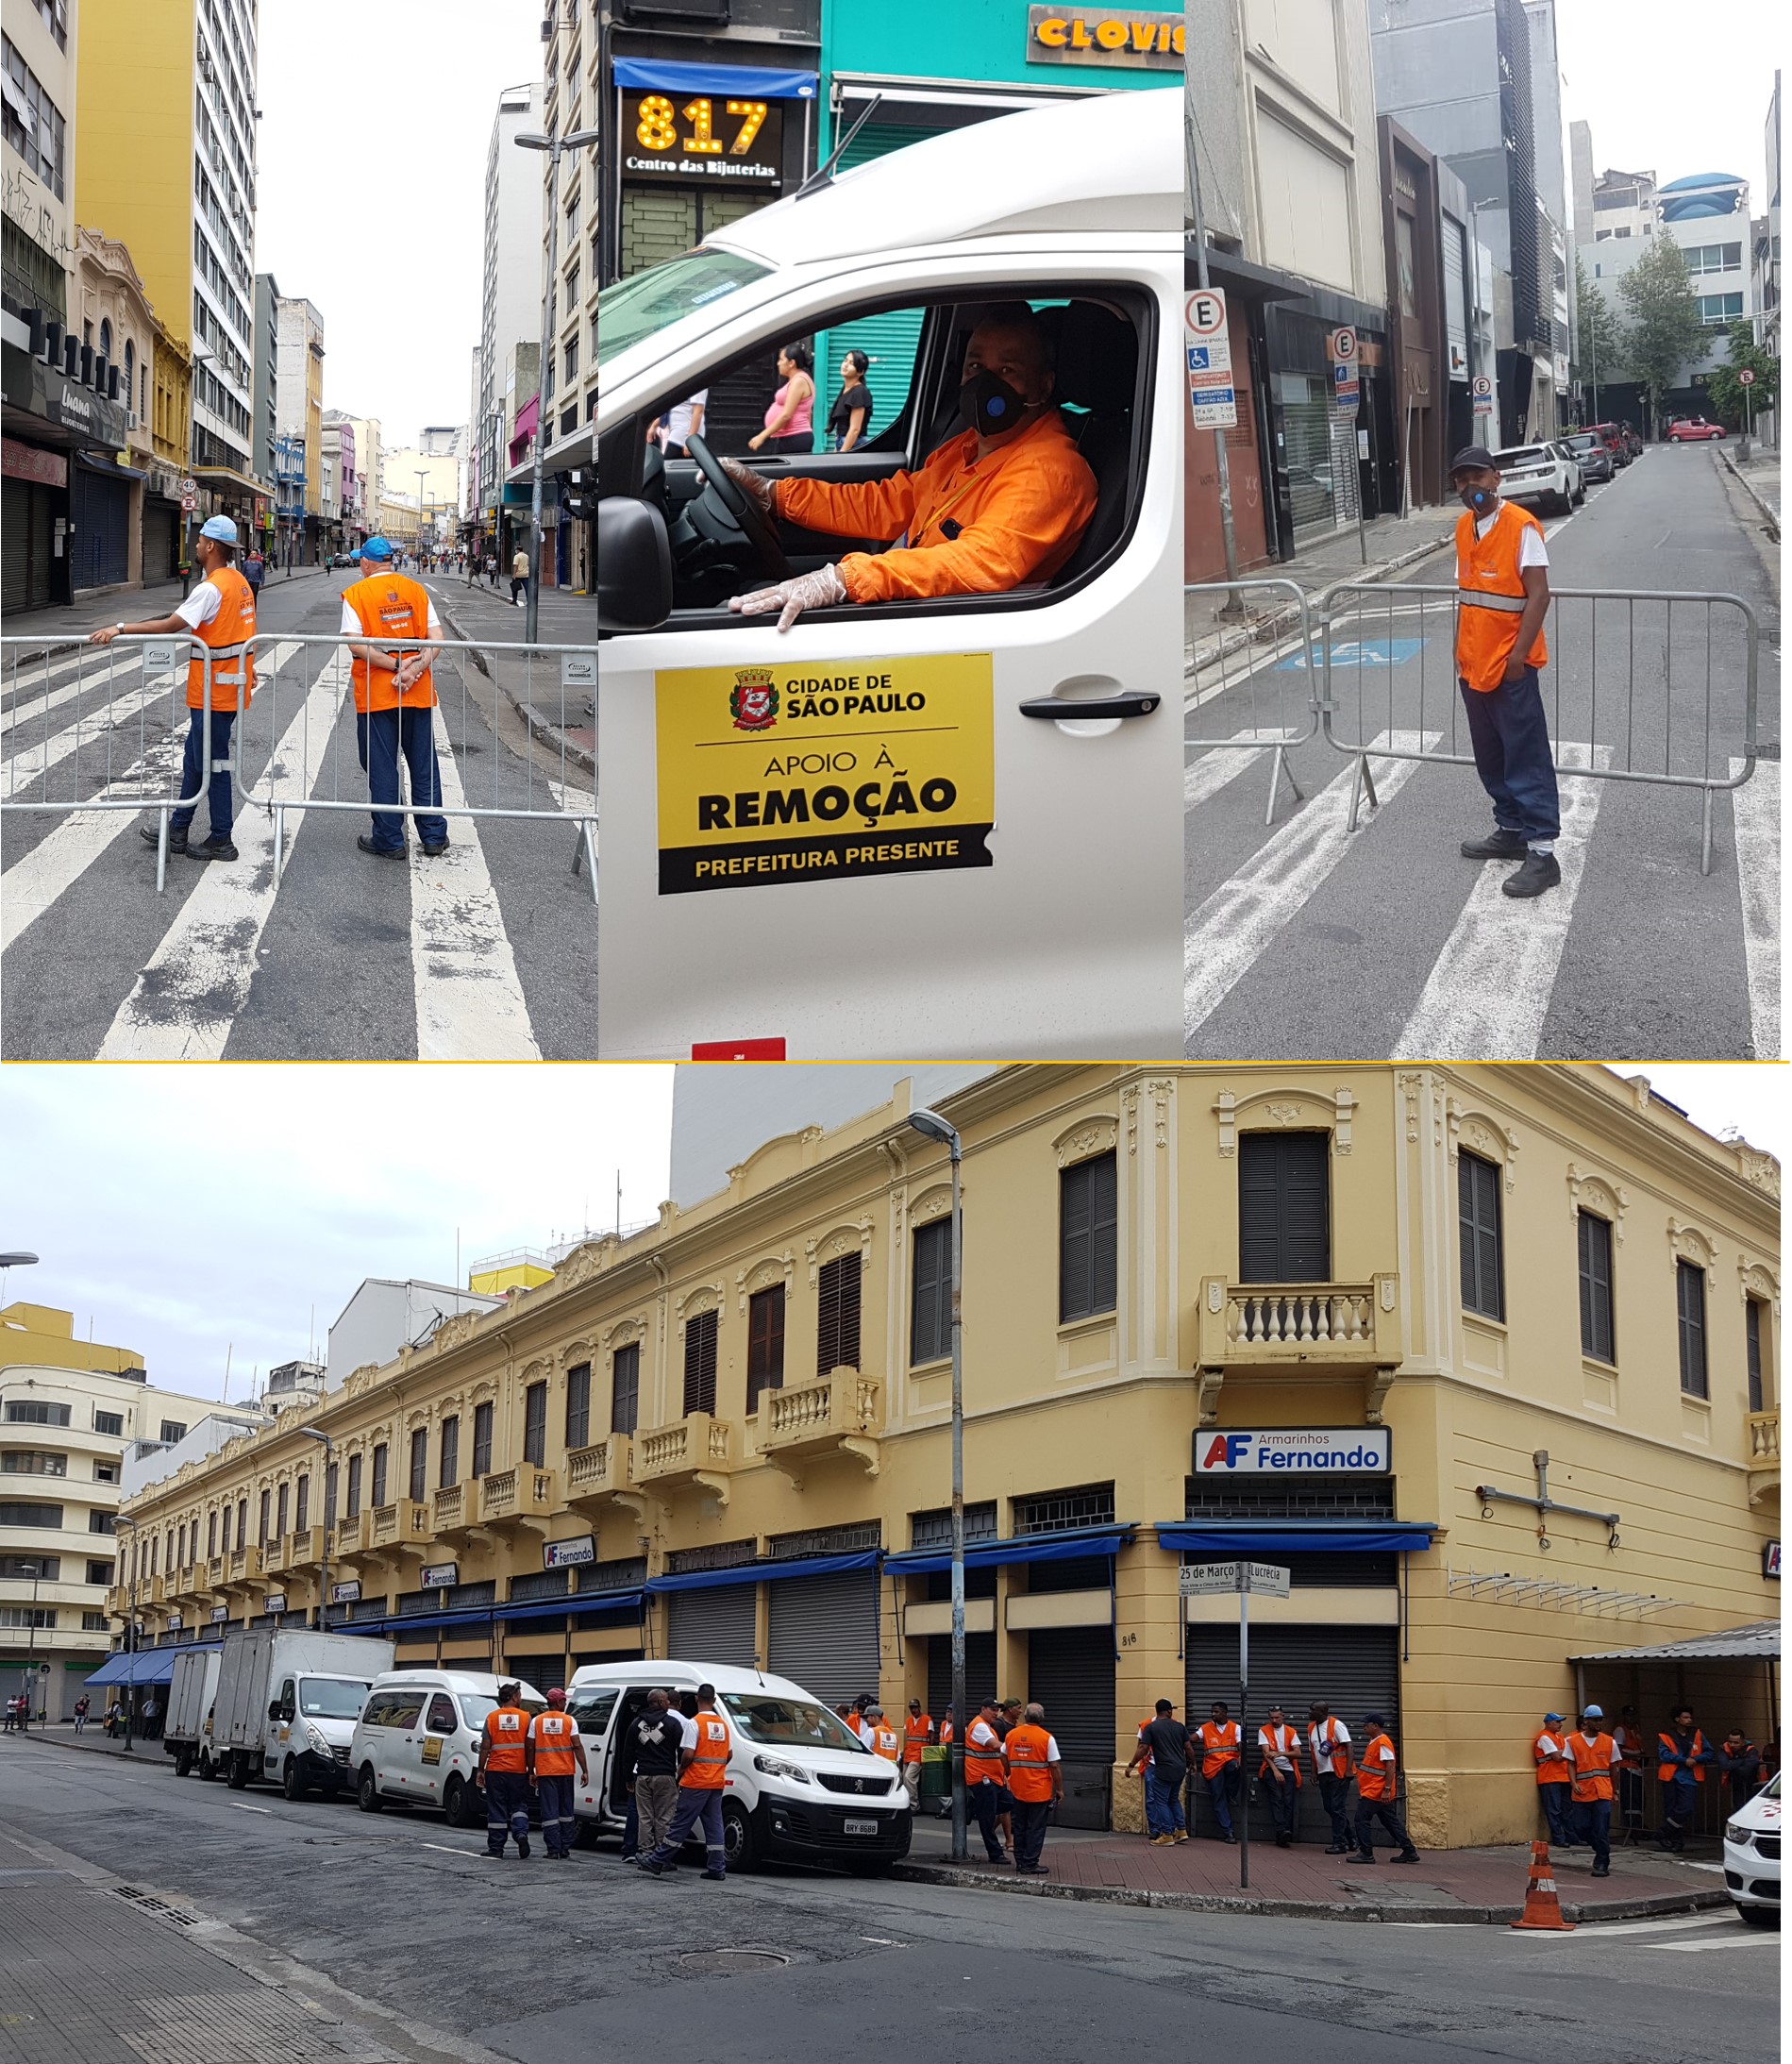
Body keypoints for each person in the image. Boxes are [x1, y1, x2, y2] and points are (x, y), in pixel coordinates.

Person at [719, 305, 1098, 630]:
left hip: (970, 629)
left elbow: (978, 562)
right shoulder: (967, 446)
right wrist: (777, 495)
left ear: (1044, 386)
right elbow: (888, 503)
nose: (985, 382)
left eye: (1007, 370)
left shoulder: (1050, 471)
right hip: (926, 612)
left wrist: (845, 579)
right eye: (976, 365)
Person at [92, 513, 256, 864]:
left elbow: (170, 625)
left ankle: (222, 838)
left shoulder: (211, 588)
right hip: (226, 688)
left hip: (214, 690)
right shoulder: (238, 581)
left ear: (211, 546)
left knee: (214, 763)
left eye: (198, 541)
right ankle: (179, 828)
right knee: (197, 759)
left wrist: (119, 627)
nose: (195, 545)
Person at [1448, 443, 1561, 898]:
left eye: (1477, 477)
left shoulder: (1520, 526)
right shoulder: (1463, 527)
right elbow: (1468, 594)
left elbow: (1539, 594)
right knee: (1491, 756)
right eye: (1460, 479)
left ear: (1495, 478)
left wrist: (1518, 658)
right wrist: (1459, 653)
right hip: (1473, 665)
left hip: (1509, 666)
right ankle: (1511, 830)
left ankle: (1542, 853)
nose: (1469, 486)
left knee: (1525, 756)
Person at [340, 536, 450, 861]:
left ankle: (389, 839)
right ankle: (432, 835)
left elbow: (357, 645)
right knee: (424, 763)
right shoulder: (416, 590)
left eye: (360, 560)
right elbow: (437, 639)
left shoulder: (357, 594)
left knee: (382, 767)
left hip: (378, 695)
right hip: (416, 691)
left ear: (366, 562)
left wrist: (397, 666)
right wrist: (415, 668)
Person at [643, 1682, 729, 1880]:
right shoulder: (723, 1726)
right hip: (716, 1783)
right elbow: (729, 1754)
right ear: (714, 1700)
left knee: (680, 1823)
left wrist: (680, 1770)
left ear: (697, 1699)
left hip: (696, 1782)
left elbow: (688, 1754)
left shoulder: (694, 1723)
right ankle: (717, 1868)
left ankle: (656, 1861)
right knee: (715, 1825)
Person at [623, 1689, 683, 1869]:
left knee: (645, 1817)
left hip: (643, 1776)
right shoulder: (673, 1724)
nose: (668, 1704)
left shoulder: (636, 1724)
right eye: (666, 1701)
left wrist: (628, 1778)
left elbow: (628, 1753)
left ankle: (646, 1854)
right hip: (665, 1776)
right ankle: (661, 1857)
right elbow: (682, 1751)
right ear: (660, 1702)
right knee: (664, 1818)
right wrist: (681, 1775)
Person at [527, 1688, 588, 1860]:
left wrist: (531, 1771)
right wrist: (585, 1770)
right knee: (566, 1811)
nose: (566, 1704)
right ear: (559, 1702)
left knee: (550, 1811)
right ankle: (565, 1847)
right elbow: (577, 1746)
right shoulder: (570, 1721)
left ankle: (553, 1849)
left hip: (546, 1772)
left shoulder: (537, 1721)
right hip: (566, 1771)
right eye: (564, 1701)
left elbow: (530, 1747)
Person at [1003, 1702, 1063, 1876]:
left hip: (1017, 1789)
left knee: (1019, 1827)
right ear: (1042, 1718)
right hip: (1039, 1791)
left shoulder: (1012, 1735)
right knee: (1035, 1829)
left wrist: (1009, 1773)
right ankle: (1030, 1863)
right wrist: (1059, 1789)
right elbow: (1054, 1766)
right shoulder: (1046, 1738)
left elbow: (1002, 1754)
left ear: (1025, 1717)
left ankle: (1020, 1861)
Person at [1351, 1713, 1420, 1864]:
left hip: (1376, 1791)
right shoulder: (1375, 1741)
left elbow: (1390, 1765)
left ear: (1375, 1726)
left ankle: (1366, 1853)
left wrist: (1387, 1788)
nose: (1363, 1726)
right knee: (1390, 1821)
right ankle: (1409, 1851)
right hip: (1376, 1790)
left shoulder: (1382, 1742)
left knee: (1361, 1819)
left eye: (1366, 1724)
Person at [477, 1682, 533, 1858]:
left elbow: (485, 1747)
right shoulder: (526, 1717)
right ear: (514, 1697)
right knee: (519, 1806)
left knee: (496, 1808)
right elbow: (530, 1747)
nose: (521, 1698)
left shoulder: (491, 1718)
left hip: (495, 1770)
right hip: (517, 1771)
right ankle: (521, 1833)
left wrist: (481, 1770)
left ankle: (496, 1848)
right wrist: (530, 1770)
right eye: (520, 1695)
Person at [1564, 1705, 1619, 1879]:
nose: (1599, 1722)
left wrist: (1615, 1791)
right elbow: (1571, 1764)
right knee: (1580, 1827)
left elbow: (1614, 1767)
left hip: (1602, 1791)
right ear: (1585, 1721)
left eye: (1600, 1719)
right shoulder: (1572, 1741)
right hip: (1582, 1791)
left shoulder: (1610, 1742)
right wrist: (1573, 1783)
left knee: (1601, 1828)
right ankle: (1600, 1848)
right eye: (1595, 1719)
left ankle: (1602, 1863)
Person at [1126, 1699, 1189, 1846]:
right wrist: (1192, 1764)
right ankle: (1181, 1830)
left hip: (1162, 1769)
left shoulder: (1151, 1727)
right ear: (1168, 1711)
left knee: (1159, 1801)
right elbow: (1188, 1748)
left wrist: (1131, 1765)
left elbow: (1142, 1748)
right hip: (1179, 1768)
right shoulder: (1179, 1726)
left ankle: (1167, 1834)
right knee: (1173, 1800)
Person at [1656, 1706, 1711, 1852]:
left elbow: (1709, 1752)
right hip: (1671, 1776)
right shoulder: (1666, 1735)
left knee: (1686, 1808)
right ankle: (1676, 1841)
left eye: (1690, 1718)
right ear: (1677, 1719)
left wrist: (1695, 1759)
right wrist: (1683, 1760)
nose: (1689, 1720)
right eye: (1685, 1717)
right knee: (1671, 1809)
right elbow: (1663, 1754)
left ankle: (1664, 1832)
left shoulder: (1697, 1734)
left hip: (1689, 1777)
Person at [963, 1697, 1010, 1864]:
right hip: (982, 1779)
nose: (996, 1713)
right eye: (992, 1709)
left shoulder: (988, 1726)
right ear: (983, 1709)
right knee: (987, 1818)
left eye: (997, 1710)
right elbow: (995, 1745)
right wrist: (1014, 1746)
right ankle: (995, 1853)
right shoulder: (980, 1726)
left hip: (993, 1779)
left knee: (1009, 1803)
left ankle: (973, 1807)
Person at [748, 342, 814, 456]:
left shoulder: (799, 381)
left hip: (794, 438)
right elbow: (808, 413)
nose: (778, 364)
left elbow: (786, 415)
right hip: (790, 436)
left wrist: (762, 436)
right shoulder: (797, 379)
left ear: (791, 363)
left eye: (781, 360)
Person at [1308, 1703, 1355, 1854]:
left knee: (1336, 1807)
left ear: (1322, 1712)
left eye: (1312, 1710)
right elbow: (1313, 1751)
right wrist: (1314, 1772)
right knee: (1330, 1808)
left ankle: (1339, 1843)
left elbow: (1349, 1746)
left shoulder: (1336, 1725)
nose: (1309, 1712)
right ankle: (1351, 1838)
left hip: (1339, 1773)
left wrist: (1348, 1769)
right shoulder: (1311, 1728)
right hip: (1323, 1773)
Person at [1258, 1703, 1304, 1848]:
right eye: (1271, 1717)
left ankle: (1285, 1832)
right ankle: (1282, 1831)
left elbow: (1298, 1753)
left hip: (1289, 1769)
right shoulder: (1264, 1730)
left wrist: (1280, 1753)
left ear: (1283, 1717)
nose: (1274, 1720)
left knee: (1288, 1801)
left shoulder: (1291, 1732)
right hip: (1271, 1769)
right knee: (1277, 1798)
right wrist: (1275, 1770)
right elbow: (1266, 1754)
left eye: (1277, 1717)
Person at [1198, 1700, 1242, 1844]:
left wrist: (1241, 1756)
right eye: (1212, 1712)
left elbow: (1241, 1744)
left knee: (1234, 1766)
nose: (1213, 1714)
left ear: (1225, 1713)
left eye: (1216, 1712)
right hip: (1213, 1768)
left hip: (1229, 1765)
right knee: (1218, 1798)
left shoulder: (1235, 1728)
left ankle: (1231, 1794)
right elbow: (1193, 1738)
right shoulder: (1206, 1728)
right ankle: (1228, 1831)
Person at [1532, 1712, 1577, 1848]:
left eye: (1560, 1722)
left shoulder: (1559, 1737)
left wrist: (1563, 1752)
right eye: (1557, 1722)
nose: (1560, 1724)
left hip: (1562, 1777)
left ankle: (1571, 1837)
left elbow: (1562, 1754)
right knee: (1555, 1810)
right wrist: (1566, 1752)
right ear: (1548, 1723)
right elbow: (1558, 1757)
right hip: (1549, 1778)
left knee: (1566, 1809)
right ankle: (1559, 1838)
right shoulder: (1544, 1737)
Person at [1613, 1704, 1648, 1844]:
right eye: (1628, 1715)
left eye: (1633, 1715)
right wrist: (1636, 1754)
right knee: (1631, 1800)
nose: (1631, 1718)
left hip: (1636, 1768)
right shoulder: (1621, 1730)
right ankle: (1633, 1828)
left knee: (1639, 1799)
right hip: (1626, 1768)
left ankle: (1639, 1827)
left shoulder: (1636, 1729)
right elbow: (1619, 1751)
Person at [827, 349, 872, 453]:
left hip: (853, 444)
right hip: (843, 442)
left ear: (861, 372)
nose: (845, 365)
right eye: (845, 360)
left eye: (851, 363)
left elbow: (855, 429)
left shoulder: (859, 392)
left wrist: (842, 455)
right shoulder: (846, 390)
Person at [1716, 1728, 1764, 1820]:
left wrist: (1732, 1764)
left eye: (1736, 1743)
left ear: (1743, 1742)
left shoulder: (1752, 1750)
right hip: (1736, 1784)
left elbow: (1746, 1770)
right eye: (1730, 1742)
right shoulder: (1724, 1748)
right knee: (1739, 1809)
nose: (1732, 1745)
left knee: (1752, 1810)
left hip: (1752, 1784)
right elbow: (1724, 1765)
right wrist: (1741, 1761)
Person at [901, 1699, 933, 1811]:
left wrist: (928, 1754)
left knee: (909, 1778)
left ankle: (914, 1805)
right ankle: (907, 1804)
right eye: (911, 1708)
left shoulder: (927, 1720)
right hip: (909, 1753)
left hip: (918, 1754)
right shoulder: (908, 1721)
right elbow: (907, 1738)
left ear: (919, 1707)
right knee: (904, 1780)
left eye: (915, 1707)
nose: (913, 1710)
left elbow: (931, 1737)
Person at [660, 392, 707, 460]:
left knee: (667, 465)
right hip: (678, 434)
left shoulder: (697, 384)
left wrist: (690, 441)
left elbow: (698, 410)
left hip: (684, 435)